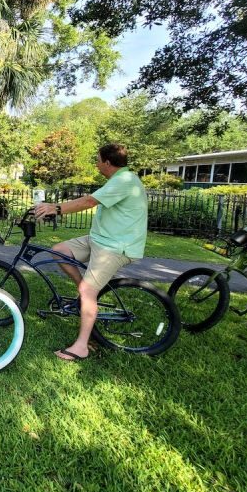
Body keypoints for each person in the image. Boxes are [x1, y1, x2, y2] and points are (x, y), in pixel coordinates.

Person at [34, 143, 148, 362]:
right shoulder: (118, 180)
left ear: (107, 162)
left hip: (115, 246)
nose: (96, 164)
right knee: (59, 251)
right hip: (99, 240)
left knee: (89, 291)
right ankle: (83, 293)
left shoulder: (125, 180)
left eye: (97, 160)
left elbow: (89, 201)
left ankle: (81, 347)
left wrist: (54, 208)